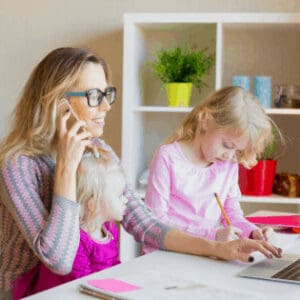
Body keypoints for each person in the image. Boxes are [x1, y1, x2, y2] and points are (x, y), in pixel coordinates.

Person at [0, 48, 281, 299]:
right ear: (57, 103)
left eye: (106, 94)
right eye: (94, 96)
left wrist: (218, 248)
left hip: (81, 285)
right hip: (29, 292)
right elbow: (59, 260)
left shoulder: (97, 149)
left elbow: (145, 224)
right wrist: (66, 166)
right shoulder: (18, 165)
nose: (107, 106)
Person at [143, 86, 279, 254]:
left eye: (237, 150)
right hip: (165, 254)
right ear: (206, 121)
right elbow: (155, 223)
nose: (230, 156)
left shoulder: (228, 164)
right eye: (227, 145)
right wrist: (212, 235)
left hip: (205, 253)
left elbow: (231, 213)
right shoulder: (168, 157)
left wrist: (252, 232)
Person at [12, 151, 127, 298]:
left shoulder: (110, 230)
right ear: (93, 204)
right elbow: (81, 285)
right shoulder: (76, 240)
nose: (125, 200)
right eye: (119, 196)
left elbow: (113, 267)